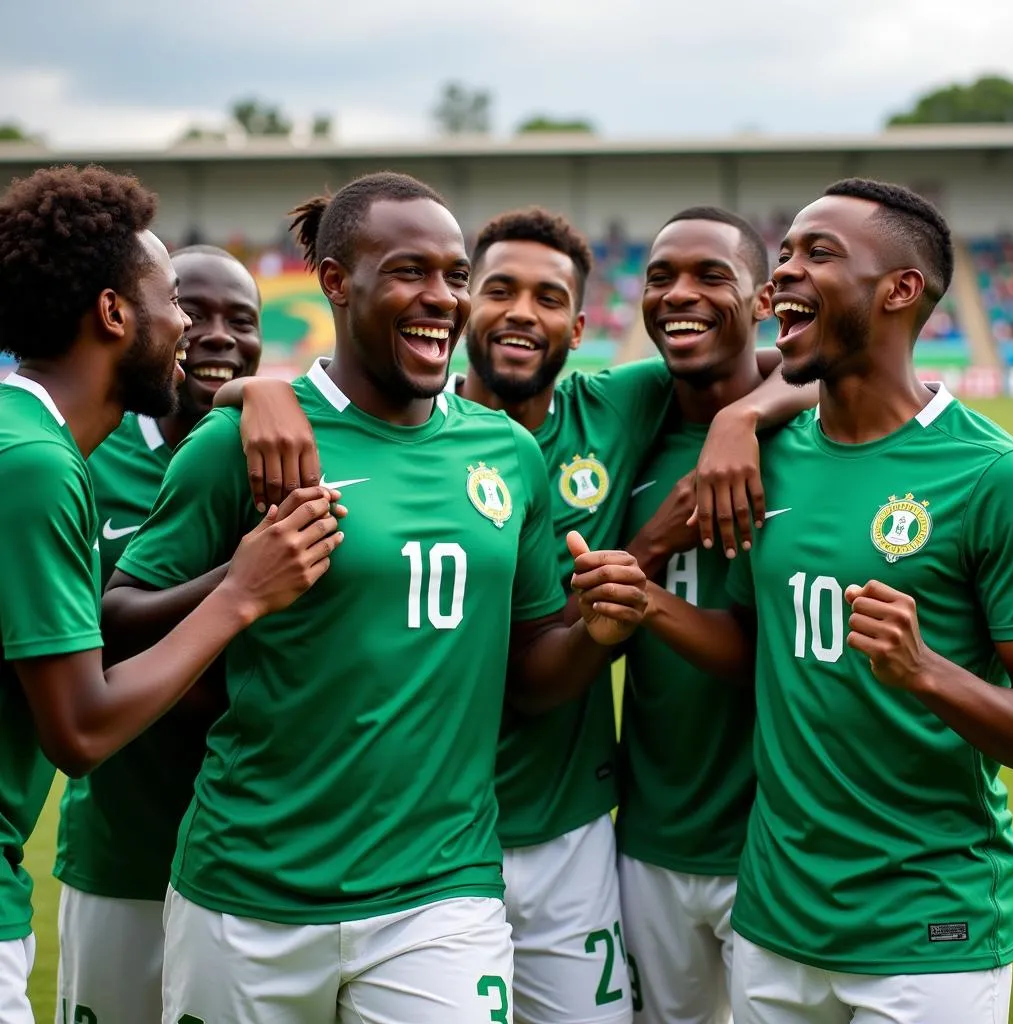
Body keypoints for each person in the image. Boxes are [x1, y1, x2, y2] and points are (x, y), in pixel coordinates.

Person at [230, 204, 810, 1024]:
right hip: (401, 838)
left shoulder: (615, 411)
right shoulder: (390, 435)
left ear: (578, 328)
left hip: (563, 826)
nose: (519, 314)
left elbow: (813, 363)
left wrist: (740, 416)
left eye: (547, 299)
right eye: (497, 289)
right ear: (469, 307)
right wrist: (255, 386)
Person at [101, 172, 649, 1024]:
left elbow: (531, 674)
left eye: (455, 275)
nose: (442, 299)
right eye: (409, 272)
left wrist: (597, 635)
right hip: (248, 887)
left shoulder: (506, 453)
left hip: (442, 892)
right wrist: (240, 586)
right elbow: (115, 624)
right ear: (333, 282)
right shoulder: (241, 444)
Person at [656, 179, 1013, 1024]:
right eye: (782, 254)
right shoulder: (768, 459)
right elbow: (759, 648)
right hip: (775, 925)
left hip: (927, 934)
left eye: (816, 253)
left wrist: (926, 672)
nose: (781, 273)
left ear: (900, 289)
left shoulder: (992, 477)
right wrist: (647, 604)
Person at [0, 165, 341, 1022]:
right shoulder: (36, 466)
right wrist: (242, 592)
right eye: (174, 300)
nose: (189, 326)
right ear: (116, 314)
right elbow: (81, 730)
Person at [53, 245, 265, 1024]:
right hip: (125, 845)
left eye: (241, 321)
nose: (216, 334)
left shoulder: (278, 459)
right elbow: (87, 647)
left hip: (258, 852)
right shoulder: (87, 456)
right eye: (195, 310)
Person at [616, 207, 774, 1024]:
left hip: (777, 848)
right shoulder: (624, 431)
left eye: (712, 275)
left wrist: (745, 415)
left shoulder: (816, 435)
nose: (680, 294)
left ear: (764, 298)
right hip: (650, 840)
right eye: (659, 276)